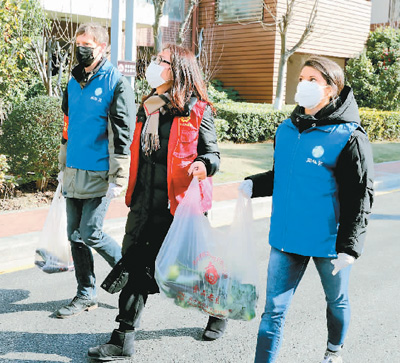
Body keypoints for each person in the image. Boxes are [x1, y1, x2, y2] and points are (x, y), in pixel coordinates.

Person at [87, 44, 222, 361]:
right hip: (145, 204)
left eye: (161, 61)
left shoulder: (197, 110)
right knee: (135, 266)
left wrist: (204, 164)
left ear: (179, 69)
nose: (153, 64)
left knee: (194, 267)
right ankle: (123, 338)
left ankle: (218, 307)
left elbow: (213, 154)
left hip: (179, 209)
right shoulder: (147, 107)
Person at [239, 56, 374, 363]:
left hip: (330, 243)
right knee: (273, 311)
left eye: (313, 80)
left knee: (336, 300)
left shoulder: (349, 137)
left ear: (331, 90)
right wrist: (252, 185)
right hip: (287, 238)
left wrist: (349, 248)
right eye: (301, 78)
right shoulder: (286, 130)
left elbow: (360, 198)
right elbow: (282, 175)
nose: (304, 85)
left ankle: (333, 351)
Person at [56, 23, 136, 318]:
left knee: (90, 231)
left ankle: (130, 272)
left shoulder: (116, 83)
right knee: (74, 235)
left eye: (87, 44)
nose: (81, 49)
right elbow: (68, 126)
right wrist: (62, 165)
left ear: (102, 47)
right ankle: (85, 293)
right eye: (78, 44)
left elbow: (122, 134)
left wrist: (119, 177)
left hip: (101, 172)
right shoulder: (73, 81)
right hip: (74, 170)